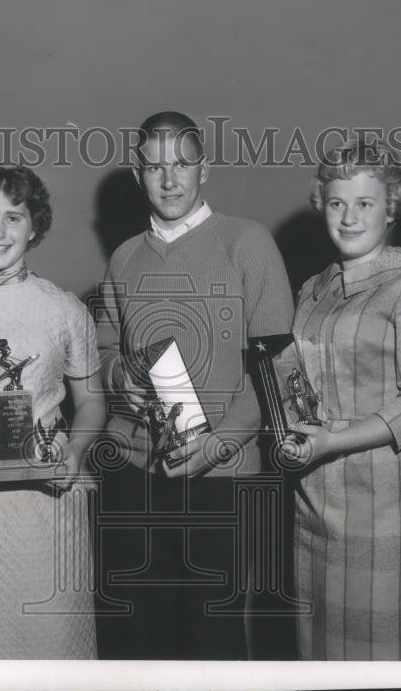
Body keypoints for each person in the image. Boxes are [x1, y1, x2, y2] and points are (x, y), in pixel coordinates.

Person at [94, 111, 294, 659]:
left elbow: (276, 368)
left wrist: (219, 442)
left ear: (203, 169)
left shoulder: (246, 243)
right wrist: (118, 378)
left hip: (221, 475)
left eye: (182, 163)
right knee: (144, 638)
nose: (169, 179)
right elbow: (107, 348)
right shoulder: (123, 258)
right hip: (139, 474)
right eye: (155, 167)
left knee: (214, 638)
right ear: (138, 176)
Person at [0, 164, 106, 659]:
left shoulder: (64, 308)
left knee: (55, 649)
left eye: (13, 217)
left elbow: (92, 400)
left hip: (51, 502)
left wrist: (75, 450)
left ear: (35, 227)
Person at [279, 140, 401, 660]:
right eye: (337, 203)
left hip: (383, 504)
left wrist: (333, 439)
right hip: (314, 499)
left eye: (365, 204)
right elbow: (295, 385)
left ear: (391, 209)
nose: (349, 218)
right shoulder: (313, 288)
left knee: (381, 658)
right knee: (318, 656)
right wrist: (296, 434)